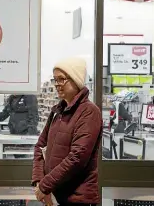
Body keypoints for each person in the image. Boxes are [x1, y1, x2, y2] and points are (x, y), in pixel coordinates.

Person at [32, 57, 102, 206]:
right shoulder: (57, 111)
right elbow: (40, 146)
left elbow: (77, 157)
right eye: (55, 80)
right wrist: (39, 181)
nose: (57, 84)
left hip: (77, 199)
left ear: (76, 80)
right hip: (54, 195)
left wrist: (45, 186)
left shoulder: (89, 112)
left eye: (62, 79)